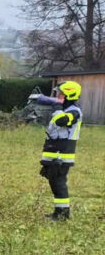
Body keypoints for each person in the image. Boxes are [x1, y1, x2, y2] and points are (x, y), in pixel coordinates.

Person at [30, 80, 83, 220]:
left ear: (69, 95)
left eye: (60, 94)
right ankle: (60, 212)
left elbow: (62, 121)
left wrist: (57, 107)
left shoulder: (74, 112)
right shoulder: (64, 109)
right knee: (55, 182)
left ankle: (62, 214)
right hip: (55, 154)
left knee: (59, 183)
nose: (58, 96)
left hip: (62, 156)